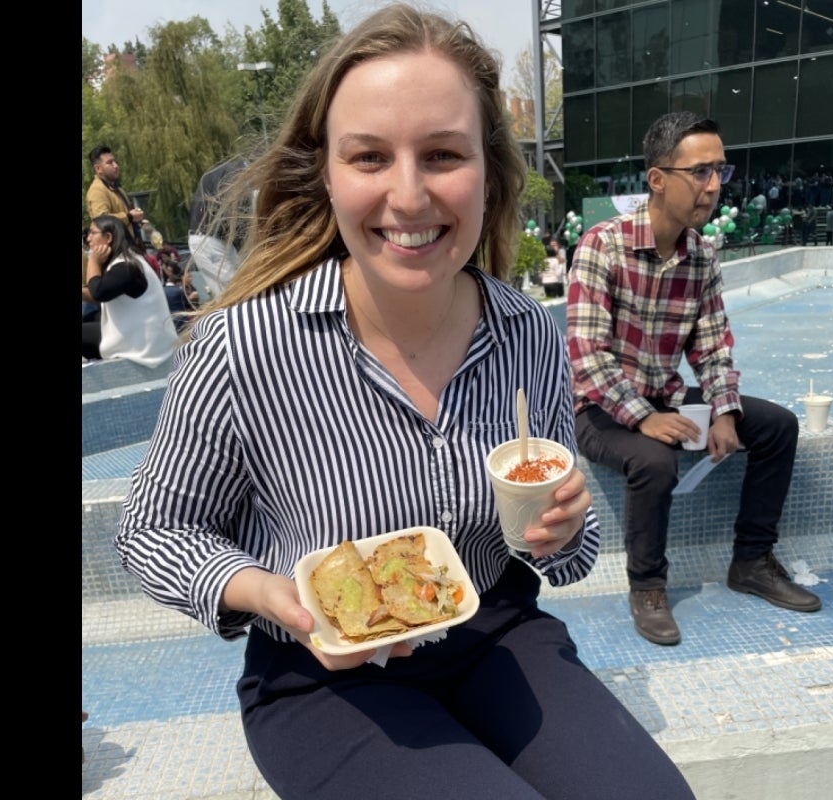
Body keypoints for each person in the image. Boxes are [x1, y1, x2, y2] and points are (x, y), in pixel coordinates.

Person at [114, 6, 696, 800]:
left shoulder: (526, 331)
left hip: (497, 632)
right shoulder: (243, 347)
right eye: (370, 157)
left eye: (443, 154)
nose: (409, 194)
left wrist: (557, 530)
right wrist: (270, 595)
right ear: (328, 172)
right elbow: (154, 529)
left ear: (489, 168)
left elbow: (572, 545)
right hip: (322, 678)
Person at [566, 110, 822, 648]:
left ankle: (751, 560)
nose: (713, 187)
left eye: (721, 172)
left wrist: (725, 410)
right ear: (658, 180)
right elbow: (587, 357)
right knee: (654, 458)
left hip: (663, 395)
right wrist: (646, 418)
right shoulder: (600, 247)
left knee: (777, 427)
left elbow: (711, 344)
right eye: (701, 172)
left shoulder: (701, 254)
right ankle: (648, 586)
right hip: (597, 409)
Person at [81, 215, 180, 366]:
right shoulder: (128, 262)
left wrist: (93, 260)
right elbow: (100, 294)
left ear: (108, 237)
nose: (88, 239)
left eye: (92, 233)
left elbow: (98, 292)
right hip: (140, 338)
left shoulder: (127, 266)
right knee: (92, 317)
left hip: (145, 347)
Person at [187, 156, 250, 299]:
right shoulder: (236, 174)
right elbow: (234, 218)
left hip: (212, 238)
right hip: (209, 240)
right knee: (233, 295)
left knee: (239, 289)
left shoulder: (231, 170)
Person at [86, 145, 146, 248]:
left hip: (132, 247)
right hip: (118, 251)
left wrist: (136, 221)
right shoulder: (97, 190)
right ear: (98, 168)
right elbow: (102, 221)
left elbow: (126, 218)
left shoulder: (116, 187)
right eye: (110, 163)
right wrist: (129, 217)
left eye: (115, 161)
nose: (116, 165)